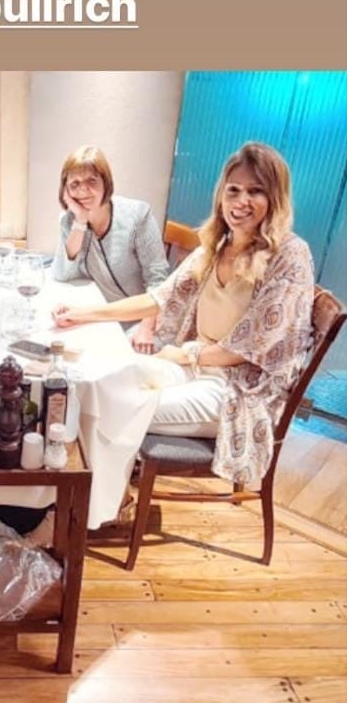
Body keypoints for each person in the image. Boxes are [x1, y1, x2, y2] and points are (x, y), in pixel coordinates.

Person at [52, 142, 314, 490]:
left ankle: (87, 509)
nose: (241, 201)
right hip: (194, 366)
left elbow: (246, 350)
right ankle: (106, 501)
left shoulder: (290, 256)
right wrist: (84, 314)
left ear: (276, 198)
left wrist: (186, 352)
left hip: (239, 390)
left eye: (256, 191)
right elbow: (160, 297)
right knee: (96, 384)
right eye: (233, 190)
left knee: (114, 409)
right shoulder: (220, 245)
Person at [51, 145, 170, 353]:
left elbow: (159, 281)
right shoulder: (70, 221)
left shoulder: (137, 216)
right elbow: (64, 274)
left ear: (106, 183)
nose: (83, 190)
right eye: (74, 184)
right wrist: (80, 221)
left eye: (92, 181)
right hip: (102, 316)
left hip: (144, 320)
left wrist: (145, 327)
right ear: (65, 190)